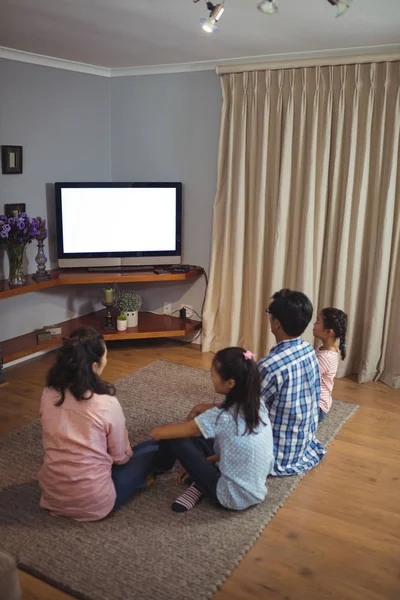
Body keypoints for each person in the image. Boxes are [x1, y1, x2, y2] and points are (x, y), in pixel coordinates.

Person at [38, 327, 158, 521]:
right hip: (94, 502)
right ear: (94, 366)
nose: (106, 361)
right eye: (105, 356)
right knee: (152, 448)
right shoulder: (106, 403)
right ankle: (143, 478)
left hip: (52, 495)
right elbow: (119, 457)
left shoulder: (48, 393)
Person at [151, 347, 274, 513]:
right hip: (256, 491)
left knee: (175, 438)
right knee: (201, 438)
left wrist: (155, 433)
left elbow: (168, 432)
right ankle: (197, 481)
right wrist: (206, 461)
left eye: (212, 374)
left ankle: (156, 469)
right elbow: (236, 451)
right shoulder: (256, 405)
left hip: (229, 497)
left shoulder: (221, 417)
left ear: (230, 383)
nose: (211, 378)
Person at [258, 289, 326, 476]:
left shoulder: (269, 367)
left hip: (274, 456)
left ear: (277, 323)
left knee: (206, 434)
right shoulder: (309, 350)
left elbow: (243, 409)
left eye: (270, 315)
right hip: (303, 446)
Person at [313, 307, 348, 421]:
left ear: (329, 332)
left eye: (318, 321)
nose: (314, 324)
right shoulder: (327, 349)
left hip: (318, 408)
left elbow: (306, 379)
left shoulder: (325, 357)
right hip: (322, 403)